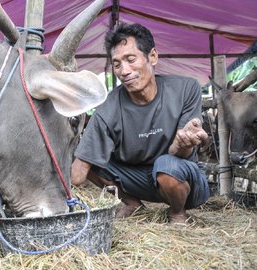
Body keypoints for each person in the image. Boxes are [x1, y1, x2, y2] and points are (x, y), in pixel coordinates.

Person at [71, 23, 210, 224]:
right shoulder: (109, 107)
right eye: (117, 64)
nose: (124, 71)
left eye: (131, 59)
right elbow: (79, 173)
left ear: (152, 56)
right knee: (87, 157)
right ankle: (131, 203)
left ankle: (177, 213)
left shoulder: (185, 89)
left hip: (182, 180)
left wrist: (183, 142)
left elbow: (178, 154)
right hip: (137, 179)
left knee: (167, 166)